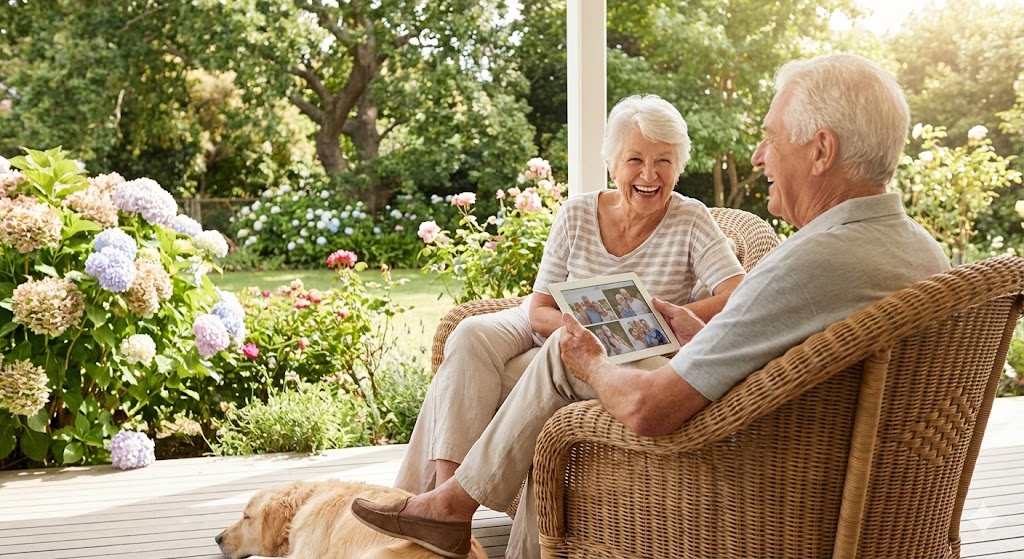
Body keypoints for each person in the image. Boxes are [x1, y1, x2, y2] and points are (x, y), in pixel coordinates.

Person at [352, 54, 952, 559]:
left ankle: (449, 508)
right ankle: (444, 504)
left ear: (821, 150)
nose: (760, 157)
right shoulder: (923, 252)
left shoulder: (810, 261)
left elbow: (648, 409)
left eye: (771, 137)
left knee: (567, 353)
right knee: (492, 340)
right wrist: (693, 327)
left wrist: (586, 358)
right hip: (859, 486)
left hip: (754, 481)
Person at [391, 94, 747, 510]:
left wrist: (664, 313)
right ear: (613, 162)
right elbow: (538, 308)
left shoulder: (691, 218)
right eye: (635, 160)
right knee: (470, 335)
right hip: (557, 329)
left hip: (619, 359)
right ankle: (442, 494)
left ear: (678, 166)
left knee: (482, 381)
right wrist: (580, 327)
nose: (649, 175)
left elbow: (736, 294)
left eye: (664, 161)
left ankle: (425, 506)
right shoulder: (577, 213)